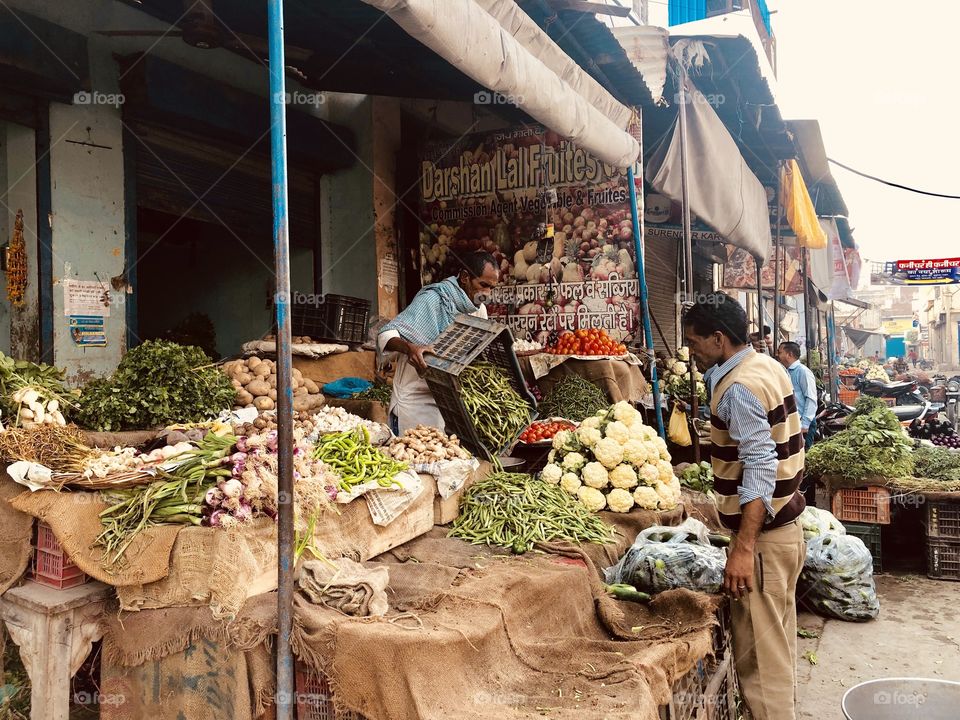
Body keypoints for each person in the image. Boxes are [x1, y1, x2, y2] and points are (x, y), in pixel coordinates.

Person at [682, 292, 806, 720]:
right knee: (778, 650)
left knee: (760, 667)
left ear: (719, 339)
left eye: (695, 343)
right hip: (787, 532)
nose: (692, 352)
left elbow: (759, 466)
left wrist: (743, 547)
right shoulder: (768, 365)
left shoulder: (739, 388)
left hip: (766, 544)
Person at [377, 251, 499, 433]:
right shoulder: (434, 299)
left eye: (492, 288)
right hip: (413, 405)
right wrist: (409, 348)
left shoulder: (478, 309)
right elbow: (385, 335)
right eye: (483, 285)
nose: (487, 294)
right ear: (465, 277)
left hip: (445, 402)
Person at [776, 342, 818, 450]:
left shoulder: (803, 372)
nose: (777, 355)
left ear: (789, 355)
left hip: (803, 423)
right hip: (792, 422)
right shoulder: (784, 372)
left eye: (780, 352)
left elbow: (811, 399)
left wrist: (805, 425)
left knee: (803, 455)